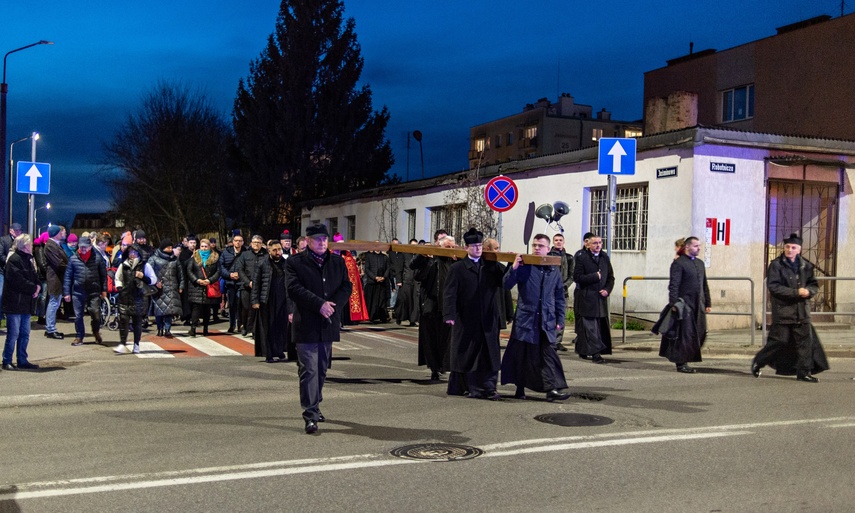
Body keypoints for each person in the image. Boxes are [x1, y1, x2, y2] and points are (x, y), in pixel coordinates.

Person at [285, 224, 352, 434]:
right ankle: (310, 414)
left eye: (324, 238)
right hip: (306, 324)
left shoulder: (337, 262)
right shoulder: (296, 263)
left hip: (327, 323)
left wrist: (332, 306)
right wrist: (319, 304)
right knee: (310, 369)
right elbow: (294, 289)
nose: (322, 242)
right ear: (308, 240)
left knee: (322, 368)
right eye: (317, 239)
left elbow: (346, 286)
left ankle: (315, 402)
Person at [501, 233, 570, 401]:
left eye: (540, 246)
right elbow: (506, 285)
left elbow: (559, 297)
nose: (537, 248)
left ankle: (551, 389)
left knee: (548, 355)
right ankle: (520, 388)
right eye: (535, 245)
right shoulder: (525, 266)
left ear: (548, 249)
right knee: (523, 355)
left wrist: (560, 320)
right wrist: (514, 268)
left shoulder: (554, 270)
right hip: (526, 320)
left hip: (546, 320)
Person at [751, 233, 829, 382]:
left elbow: (813, 284)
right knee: (778, 342)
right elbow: (773, 287)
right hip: (784, 311)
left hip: (802, 312)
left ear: (799, 249)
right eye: (787, 247)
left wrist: (810, 291)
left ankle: (804, 372)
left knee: (805, 343)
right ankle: (758, 362)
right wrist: (795, 292)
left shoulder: (806, 266)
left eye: (793, 247)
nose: (790, 250)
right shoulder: (776, 265)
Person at [443, 228, 504, 399]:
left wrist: (513, 267)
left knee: (490, 354)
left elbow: (505, 282)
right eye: (474, 246)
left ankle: (490, 387)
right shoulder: (458, 268)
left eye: (479, 246)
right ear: (466, 248)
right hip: (466, 319)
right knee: (468, 354)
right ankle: (472, 387)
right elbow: (450, 293)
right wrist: (449, 315)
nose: (477, 249)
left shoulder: (491, 266)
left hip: (488, 319)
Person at [658, 236, 711, 373]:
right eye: (695, 246)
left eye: (699, 246)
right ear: (687, 247)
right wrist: (674, 303)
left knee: (700, 332)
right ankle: (681, 363)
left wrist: (708, 302)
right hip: (684, 305)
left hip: (698, 304)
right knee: (685, 335)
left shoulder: (699, 263)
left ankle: (687, 357)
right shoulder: (679, 263)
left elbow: (704, 284)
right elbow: (674, 285)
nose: (698, 248)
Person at [411, 231, 454, 380]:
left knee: (445, 338)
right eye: (448, 247)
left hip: (446, 306)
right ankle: (434, 368)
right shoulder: (431, 259)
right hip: (430, 305)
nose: (451, 250)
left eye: (452, 247)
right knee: (430, 338)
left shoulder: (452, 262)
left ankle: (443, 365)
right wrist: (425, 256)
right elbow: (415, 271)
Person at [572, 234, 614, 363]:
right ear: (588, 244)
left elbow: (611, 277)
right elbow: (577, 277)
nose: (598, 245)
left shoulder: (604, 257)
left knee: (598, 328)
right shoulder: (582, 258)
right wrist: (594, 276)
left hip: (600, 299)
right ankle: (596, 354)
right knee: (590, 328)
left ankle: (583, 350)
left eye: (600, 243)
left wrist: (607, 290)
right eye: (595, 243)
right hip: (586, 298)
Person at [2, 234, 41, 370]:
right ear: (24, 246)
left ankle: (22, 359)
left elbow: (35, 276)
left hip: (25, 303)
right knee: (13, 334)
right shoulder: (14, 260)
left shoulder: (28, 259)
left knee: (25, 333)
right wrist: (33, 288)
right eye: (30, 244)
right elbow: (17, 281)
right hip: (14, 303)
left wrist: (38, 286)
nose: (32, 247)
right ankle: (7, 360)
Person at [62, 235, 107, 346]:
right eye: (81, 247)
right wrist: (66, 292)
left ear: (90, 246)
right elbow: (68, 276)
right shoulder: (73, 259)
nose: (83, 249)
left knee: (95, 313)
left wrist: (104, 290)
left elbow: (103, 275)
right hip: (78, 291)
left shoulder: (97, 258)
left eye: (85, 247)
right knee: (78, 316)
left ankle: (95, 331)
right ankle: (79, 336)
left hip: (94, 290)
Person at [252, 241, 290, 362]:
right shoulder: (263, 263)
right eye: (274, 250)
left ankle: (278, 350)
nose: (278, 252)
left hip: (282, 300)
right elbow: (256, 283)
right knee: (268, 327)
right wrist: (255, 300)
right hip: (267, 300)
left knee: (281, 326)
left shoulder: (286, 263)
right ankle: (268, 353)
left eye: (279, 249)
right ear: (269, 251)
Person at [115, 245, 157, 353]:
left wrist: (142, 276)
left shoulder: (144, 265)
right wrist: (120, 287)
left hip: (138, 298)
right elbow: (117, 277)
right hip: (125, 297)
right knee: (123, 320)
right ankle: (122, 343)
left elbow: (153, 280)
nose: (132, 255)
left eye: (134, 252)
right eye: (130, 252)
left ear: (138, 253)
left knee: (137, 322)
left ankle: (136, 344)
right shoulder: (123, 265)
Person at [148, 239, 183, 338]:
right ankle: (160, 328)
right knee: (159, 311)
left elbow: (180, 274)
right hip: (159, 288)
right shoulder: (154, 259)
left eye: (171, 247)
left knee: (169, 311)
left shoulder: (175, 259)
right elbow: (149, 272)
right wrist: (155, 283)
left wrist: (181, 286)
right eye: (168, 247)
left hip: (172, 287)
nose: (170, 249)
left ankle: (167, 329)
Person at [186, 238, 221, 337]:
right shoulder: (194, 257)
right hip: (196, 286)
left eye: (206, 246)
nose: (204, 248)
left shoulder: (215, 258)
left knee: (207, 308)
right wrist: (196, 280)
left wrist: (209, 280)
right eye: (202, 246)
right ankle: (193, 328)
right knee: (196, 308)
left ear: (209, 247)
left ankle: (206, 328)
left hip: (208, 286)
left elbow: (218, 271)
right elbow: (189, 270)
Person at [235, 235, 267, 336]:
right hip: (246, 286)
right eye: (254, 242)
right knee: (246, 307)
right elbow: (240, 270)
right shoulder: (245, 255)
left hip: (260, 287)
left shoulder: (266, 255)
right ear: (251, 243)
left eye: (258, 242)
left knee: (257, 309)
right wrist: (248, 282)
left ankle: (254, 329)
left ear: (262, 244)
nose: (256, 244)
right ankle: (244, 325)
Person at [334, 233, 369, 325]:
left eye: (343, 243)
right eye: (339, 244)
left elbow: (353, 271)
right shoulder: (332, 254)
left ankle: (349, 319)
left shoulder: (348, 255)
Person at [548, 233, 574, 351]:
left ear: (563, 242)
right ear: (553, 242)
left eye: (560, 240)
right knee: (549, 315)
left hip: (563, 292)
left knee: (561, 316)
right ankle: (550, 340)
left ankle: (558, 341)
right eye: (556, 240)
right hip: (550, 291)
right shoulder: (548, 256)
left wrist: (564, 285)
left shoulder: (569, 257)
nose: (558, 242)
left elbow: (572, 275)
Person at [483, 238, 514, 330]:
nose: (499, 251)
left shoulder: (500, 267)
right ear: (488, 249)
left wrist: (509, 314)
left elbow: (506, 290)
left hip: (496, 311)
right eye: (496, 248)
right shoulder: (480, 267)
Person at [44, 225, 69, 339]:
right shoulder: (50, 245)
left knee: (55, 302)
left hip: (58, 277)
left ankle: (50, 327)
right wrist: (70, 268)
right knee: (53, 303)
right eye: (60, 232)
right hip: (55, 278)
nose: (62, 234)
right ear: (56, 233)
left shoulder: (55, 245)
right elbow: (58, 263)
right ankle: (50, 329)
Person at [220, 233, 245, 333]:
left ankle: (241, 325)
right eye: (236, 240)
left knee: (241, 304)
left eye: (240, 241)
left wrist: (240, 274)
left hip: (241, 282)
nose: (238, 242)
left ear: (243, 242)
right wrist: (230, 275)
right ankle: (231, 325)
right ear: (233, 242)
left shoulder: (246, 252)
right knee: (231, 304)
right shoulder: (226, 253)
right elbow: (221, 267)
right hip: (230, 283)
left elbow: (248, 267)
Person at [393, 238, 420, 326]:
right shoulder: (404, 255)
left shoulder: (418, 256)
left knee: (414, 301)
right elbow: (399, 268)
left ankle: (412, 320)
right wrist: (399, 280)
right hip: (405, 281)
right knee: (403, 300)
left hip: (415, 281)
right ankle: (399, 317)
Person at [0, 222, 24, 321]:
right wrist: (10, 263)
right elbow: (0, 254)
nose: (18, 232)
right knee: (1, 294)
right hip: (3, 271)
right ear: (11, 230)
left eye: (20, 230)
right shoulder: (4, 240)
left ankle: (11, 316)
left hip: (17, 273)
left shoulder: (22, 242)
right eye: (16, 230)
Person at [363, 244, 391, 322]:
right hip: (372, 282)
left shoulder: (385, 257)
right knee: (372, 301)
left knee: (382, 301)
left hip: (382, 282)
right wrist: (375, 277)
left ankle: (382, 317)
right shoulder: (369, 256)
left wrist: (384, 277)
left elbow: (388, 268)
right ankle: (371, 316)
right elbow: (367, 269)